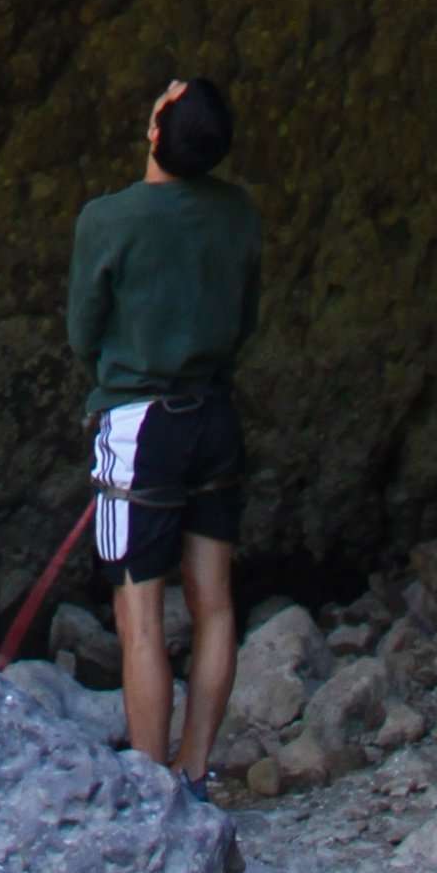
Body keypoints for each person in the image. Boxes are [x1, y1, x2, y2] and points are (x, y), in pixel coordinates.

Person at [67, 71, 260, 782]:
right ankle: (194, 766)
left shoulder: (109, 219)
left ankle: (150, 787)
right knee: (214, 601)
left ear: (155, 132)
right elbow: (247, 320)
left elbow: (83, 332)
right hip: (214, 415)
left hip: (140, 424)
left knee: (139, 611)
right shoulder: (238, 213)